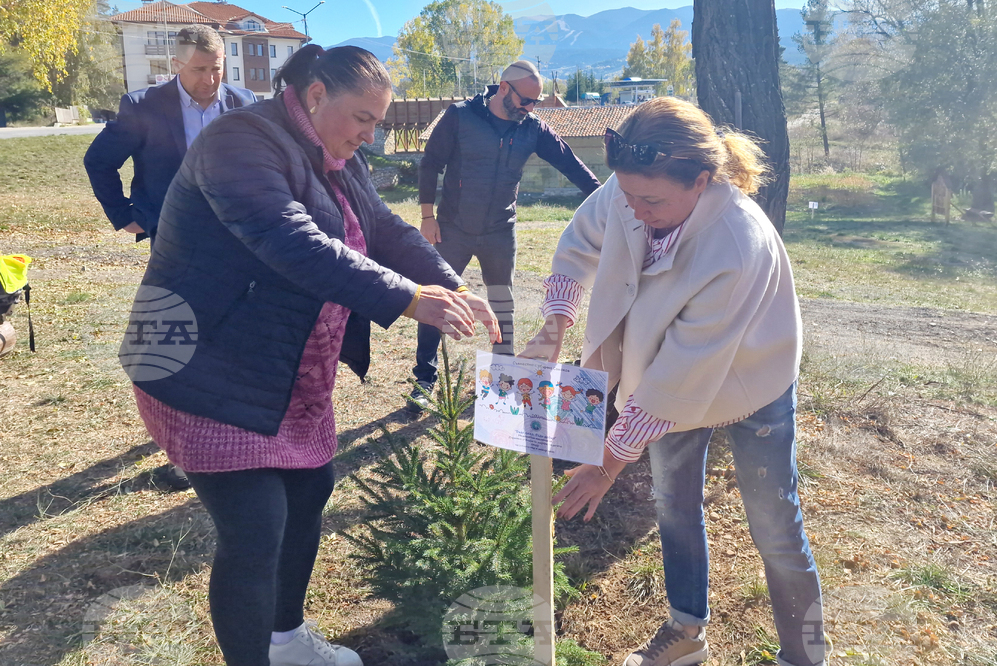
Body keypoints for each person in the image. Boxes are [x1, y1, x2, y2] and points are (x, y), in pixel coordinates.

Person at [123, 45, 499, 666]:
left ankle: (287, 640)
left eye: (378, 121)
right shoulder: (237, 142)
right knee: (254, 529)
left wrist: (448, 282)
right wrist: (408, 297)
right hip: (204, 364)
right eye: (363, 117)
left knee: (309, 490)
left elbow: (382, 229)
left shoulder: (336, 154)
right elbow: (295, 243)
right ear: (317, 95)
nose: (370, 133)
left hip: (284, 370)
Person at [522, 97, 825, 666]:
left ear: (702, 181)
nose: (634, 210)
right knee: (673, 506)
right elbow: (578, 244)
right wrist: (555, 325)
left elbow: (677, 382)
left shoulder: (734, 243)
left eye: (651, 201)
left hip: (749, 382)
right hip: (664, 376)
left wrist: (607, 463)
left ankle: (804, 655)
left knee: (774, 520)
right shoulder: (631, 186)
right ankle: (687, 633)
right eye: (627, 195)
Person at [84, 24, 256, 491]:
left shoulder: (244, 103)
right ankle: (183, 443)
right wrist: (123, 214)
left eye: (217, 69)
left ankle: (227, 423)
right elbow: (98, 161)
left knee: (233, 327)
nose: (210, 80)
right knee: (179, 332)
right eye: (199, 69)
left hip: (238, 240)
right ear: (176, 65)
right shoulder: (143, 107)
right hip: (175, 239)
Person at [408, 59, 602, 413]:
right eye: (526, 101)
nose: (530, 108)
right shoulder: (460, 117)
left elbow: (572, 165)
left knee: (502, 304)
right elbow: (431, 163)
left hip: (500, 230)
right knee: (438, 301)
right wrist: (426, 215)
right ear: (503, 89)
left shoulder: (532, 128)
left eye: (536, 103)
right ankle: (424, 379)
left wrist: (609, 200)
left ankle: (503, 379)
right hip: (452, 228)